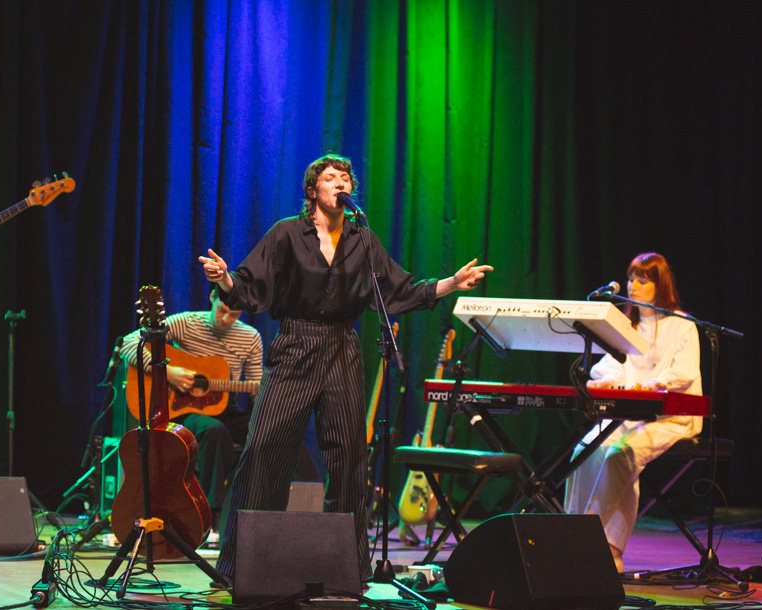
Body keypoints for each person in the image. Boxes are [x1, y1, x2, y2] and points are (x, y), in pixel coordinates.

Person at [199, 153, 492, 582]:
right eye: (330, 177)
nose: (340, 183)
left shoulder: (363, 240)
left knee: (351, 458)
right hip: (296, 345)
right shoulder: (286, 234)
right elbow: (248, 288)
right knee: (264, 449)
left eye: (345, 178)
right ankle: (239, 567)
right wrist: (224, 278)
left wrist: (449, 284)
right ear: (313, 190)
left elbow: (399, 290)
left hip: (342, 347)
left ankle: (347, 569)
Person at [564, 252, 703, 572]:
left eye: (643, 280)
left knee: (618, 455)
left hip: (671, 418)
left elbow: (683, 373)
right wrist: (613, 382)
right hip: (627, 416)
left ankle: (605, 547)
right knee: (582, 451)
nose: (634, 286)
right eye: (631, 279)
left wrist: (652, 384)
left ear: (660, 286)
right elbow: (606, 368)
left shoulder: (682, 324)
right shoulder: (627, 326)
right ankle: (572, 535)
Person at [120, 289, 263, 543]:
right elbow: (130, 343)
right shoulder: (186, 322)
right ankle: (210, 518)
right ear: (212, 298)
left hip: (223, 408)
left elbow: (254, 387)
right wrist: (167, 371)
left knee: (271, 429)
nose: (226, 319)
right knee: (213, 430)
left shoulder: (250, 337)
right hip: (185, 410)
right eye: (222, 310)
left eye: (235, 314)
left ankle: (260, 515)